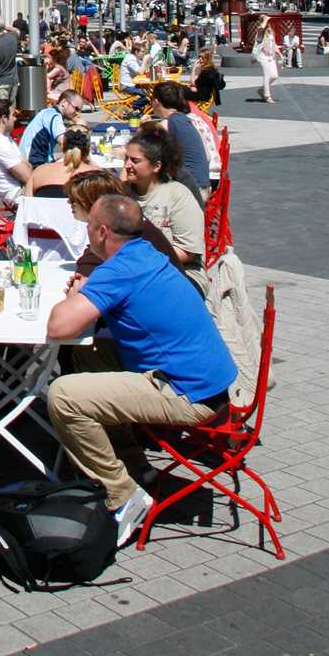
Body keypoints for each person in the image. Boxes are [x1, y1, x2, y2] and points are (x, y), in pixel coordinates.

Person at [46, 193, 238, 544]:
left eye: (88, 227)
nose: (86, 234)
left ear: (103, 232)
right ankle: (135, 464)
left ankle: (122, 494)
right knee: (90, 359)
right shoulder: (146, 253)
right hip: (208, 380)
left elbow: (59, 327)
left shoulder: (118, 270)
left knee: (63, 395)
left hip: (186, 394)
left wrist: (76, 294)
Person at [122, 128, 207, 290]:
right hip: (132, 271)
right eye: (126, 158)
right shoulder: (121, 193)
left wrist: (140, 261)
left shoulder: (178, 195)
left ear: (156, 166)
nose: (127, 165)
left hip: (180, 272)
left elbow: (187, 252)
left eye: (135, 160)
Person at [146, 81, 212, 201]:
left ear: (156, 102)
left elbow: (148, 155)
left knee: (143, 190)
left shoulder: (167, 124)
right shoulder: (186, 119)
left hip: (191, 193)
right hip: (204, 186)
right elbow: (207, 157)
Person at [0, 98, 32, 207]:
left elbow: (25, 166)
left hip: (22, 189)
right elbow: (28, 176)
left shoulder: (4, 136)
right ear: (4, 118)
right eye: (13, 115)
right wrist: (26, 166)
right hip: (18, 197)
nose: (15, 118)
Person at [20, 90, 87, 168]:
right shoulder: (54, 116)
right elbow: (66, 144)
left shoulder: (49, 112)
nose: (77, 113)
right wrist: (80, 127)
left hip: (35, 160)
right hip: (33, 164)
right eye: (76, 108)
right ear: (64, 102)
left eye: (79, 110)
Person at [28, 126, 94, 198]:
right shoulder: (98, 176)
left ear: (62, 147)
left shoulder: (39, 172)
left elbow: (26, 204)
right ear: (88, 150)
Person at [252, 18, 281, 104]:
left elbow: (274, 44)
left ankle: (261, 90)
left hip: (271, 56)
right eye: (267, 22)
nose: (268, 23)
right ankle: (267, 95)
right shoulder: (260, 32)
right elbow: (261, 28)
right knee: (267, 75)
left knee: (275, 76)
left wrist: (280, 54)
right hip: (263, 56)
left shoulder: (270, 31)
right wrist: (264, 20)